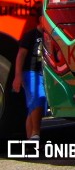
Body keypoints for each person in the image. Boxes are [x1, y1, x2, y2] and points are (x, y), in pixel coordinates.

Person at [12, 10, 48, 140]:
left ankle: (31, 143)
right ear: (40, 19)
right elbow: (21, 55)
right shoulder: (30, 35)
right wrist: (18, 76)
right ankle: (35, 133)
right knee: (39, 98)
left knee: (33, 108)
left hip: (45, 74)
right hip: (31, 73)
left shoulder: (49, 36)